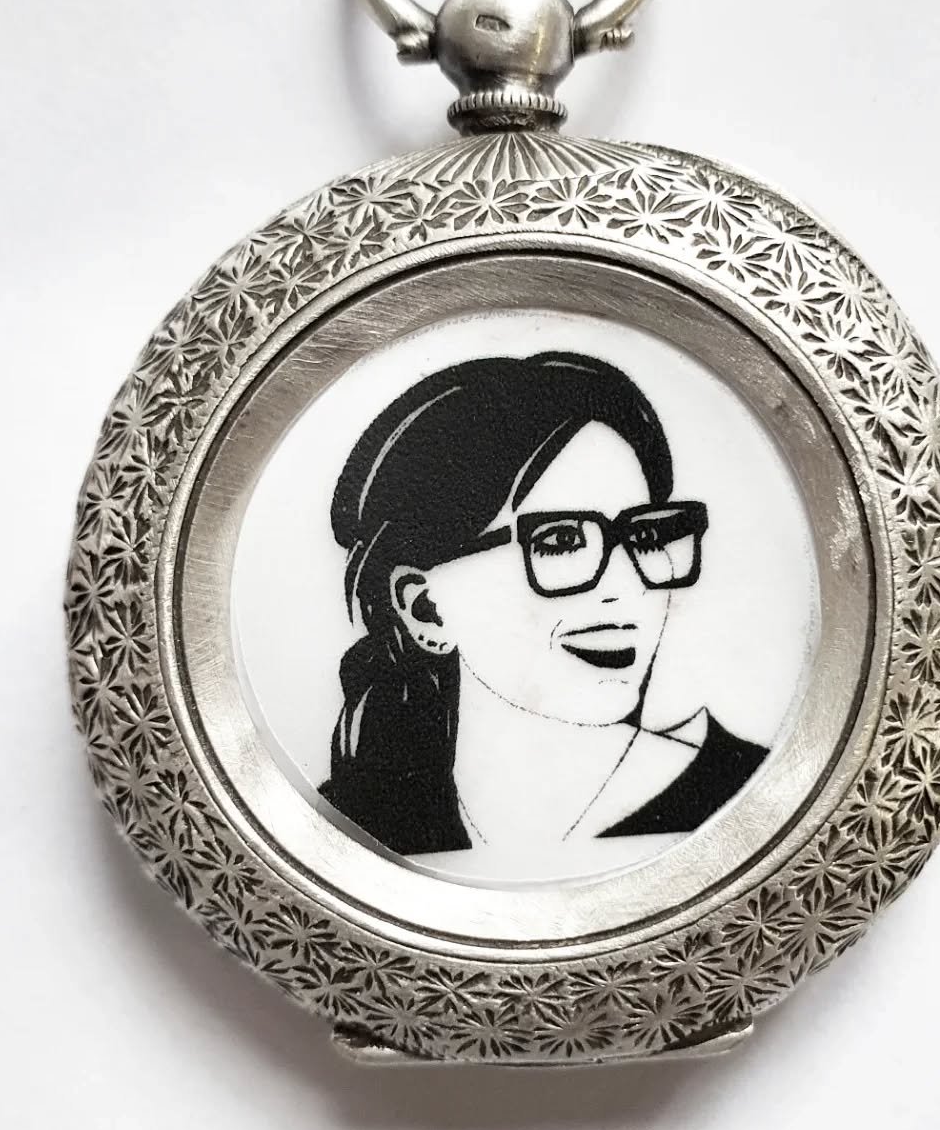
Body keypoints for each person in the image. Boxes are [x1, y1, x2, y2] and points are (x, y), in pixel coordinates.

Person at [319, 351, 766, 860]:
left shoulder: (752, 799)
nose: (628, 588)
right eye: (560, 541)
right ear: (426, 609)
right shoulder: (348, 828)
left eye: (645, 537)